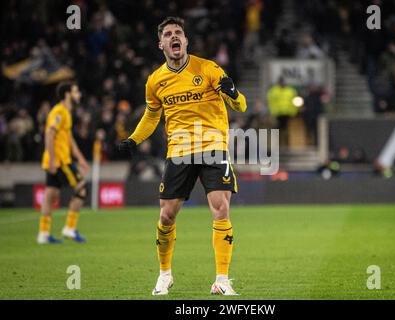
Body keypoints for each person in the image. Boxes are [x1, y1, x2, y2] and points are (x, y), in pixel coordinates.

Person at [118, 17, 247, 296]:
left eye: (179, 33)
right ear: (161, 43)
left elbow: (240, 103)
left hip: (212, 146)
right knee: (166, 216)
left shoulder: (208, 68)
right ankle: (165, 274)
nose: (174, 37)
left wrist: (233, 93)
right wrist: (133, 139)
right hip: (179, 151)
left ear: (186, 41)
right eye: (168, 34)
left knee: (221, 208)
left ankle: (222, 279)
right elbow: (152, 116)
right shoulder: (155, 81)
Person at [37, 82, 90, 244]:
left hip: (56, 160)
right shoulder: (59, 112)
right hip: (60, 161)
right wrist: (53, 160)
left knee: (49, 196)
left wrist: (80, 158)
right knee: (81, 190)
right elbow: (49, 134)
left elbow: (69, 139)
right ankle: (69, 228)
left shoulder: (66, 112)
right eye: (76, 91)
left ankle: (43, 234)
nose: (79, 94)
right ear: (67, 94)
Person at [266, 77, 298, 147]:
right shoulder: (273, 91)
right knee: (277, 130)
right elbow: (270, 102)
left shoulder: (291, 91)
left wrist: (294, 112)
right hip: (277, 114)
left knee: (287, 130)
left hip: (288, 113)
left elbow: (294, 102)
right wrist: (272, 112)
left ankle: (287, 144)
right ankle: (277, 145)